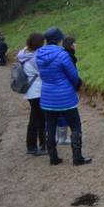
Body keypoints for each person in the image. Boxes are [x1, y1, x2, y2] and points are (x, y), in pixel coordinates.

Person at [37, 27, 91, 166]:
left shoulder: (39, 54)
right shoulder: (63, 55)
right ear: (58, 40)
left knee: (50, 126)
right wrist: (77, 86)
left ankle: (53, 157)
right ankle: (77, 157)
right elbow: (73, 76)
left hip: (47, 96)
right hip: (65, 96)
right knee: (75, 125)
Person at [17, 33, 46, 156]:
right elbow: (44, 73)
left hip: (31, 91)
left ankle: (41, 144)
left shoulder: (23, 53)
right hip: (37, 91)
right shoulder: (35, 59)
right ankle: (32, 146)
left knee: (38, 118)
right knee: (36, 119)